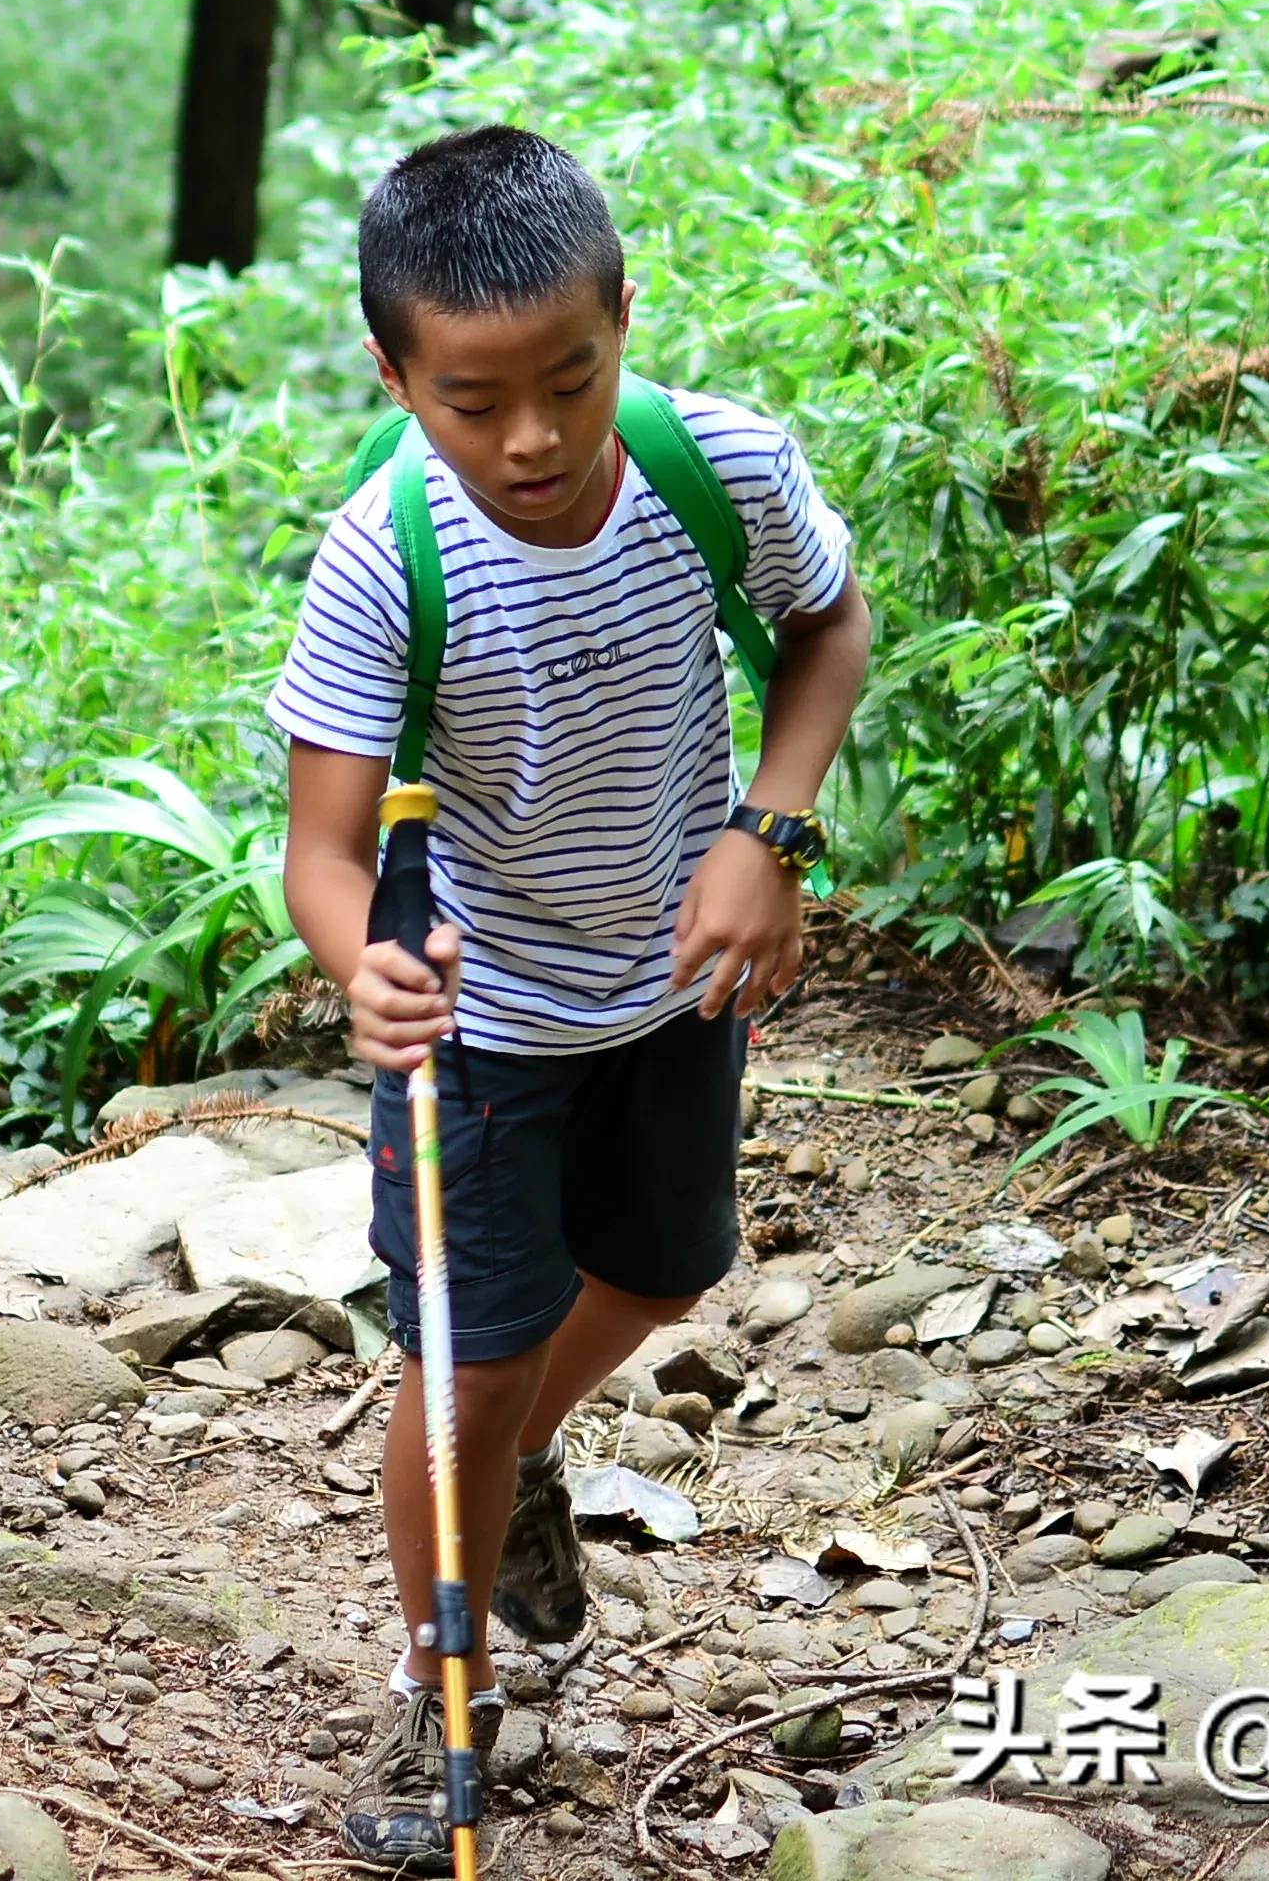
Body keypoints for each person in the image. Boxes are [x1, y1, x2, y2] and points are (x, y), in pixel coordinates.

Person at [269, 126, 873, 1871]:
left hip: (675, 980)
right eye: (472, 401)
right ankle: (436, 1686)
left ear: (622, 318)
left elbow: (825, 631)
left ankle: (524, 1453)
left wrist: (772, 829)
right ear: (396, 374)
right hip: (478, 1022)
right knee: (463, 1366)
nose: (529, 438)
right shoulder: (387, 555)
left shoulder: (718, 469)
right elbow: (321, 846)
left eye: (569, 380)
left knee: (669, 1272)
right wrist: (359, 968)